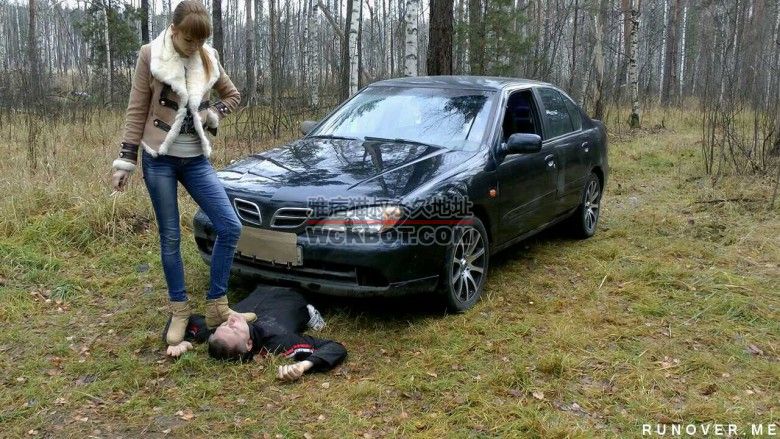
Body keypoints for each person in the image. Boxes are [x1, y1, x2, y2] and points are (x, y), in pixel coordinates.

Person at [109, 0, 250, 348]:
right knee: (170, 237)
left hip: (196, 159)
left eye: (200, 41)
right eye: (188, 40)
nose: (194, 47)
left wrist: (211, 113)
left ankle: (217, 306)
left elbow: (232, 95)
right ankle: (179, 310)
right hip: (159, 159)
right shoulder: (151, 55)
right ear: (174, 31)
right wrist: (126, 159)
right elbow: (137, 109)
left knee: (230, 226)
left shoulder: (207, 56)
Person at [167, 285, 346, 382]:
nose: (231, 320)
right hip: (304, 287)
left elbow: (182, 320)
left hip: (264, 278)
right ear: (249, 344)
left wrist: (177, 341)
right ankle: (312, 314)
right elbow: (334, 347)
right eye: (234, 329)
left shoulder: (217, 333)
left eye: (224, 325)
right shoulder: (277, 340)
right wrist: (303, 366)